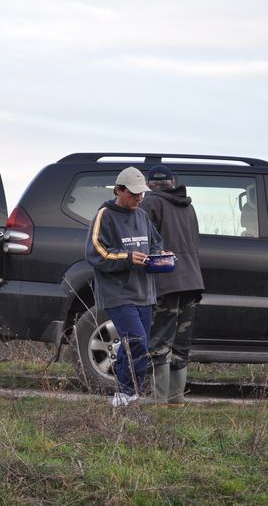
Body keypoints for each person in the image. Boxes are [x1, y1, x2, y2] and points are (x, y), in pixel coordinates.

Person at [85, 166, 163, 406]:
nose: (139, 198)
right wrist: (127, 258)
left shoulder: (142, 216)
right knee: (136, 340)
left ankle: (129, 395)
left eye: (141, 193)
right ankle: (125, 394)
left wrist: (160, 256)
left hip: (144, 293)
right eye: (133, 193)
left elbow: (155, 243)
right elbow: (96, 252)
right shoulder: (104, 215)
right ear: (118, 190)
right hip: (118, 293)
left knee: (139, 345)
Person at [140, 165, 204, 406]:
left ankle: (158, 398)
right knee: (181, 341)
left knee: (160, 339)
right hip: (192, 281)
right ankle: (176, 397)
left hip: (166, 281)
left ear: (148, 184)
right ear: (172, 183)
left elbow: (142, 240)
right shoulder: (189, 206)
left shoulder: (151, 203)